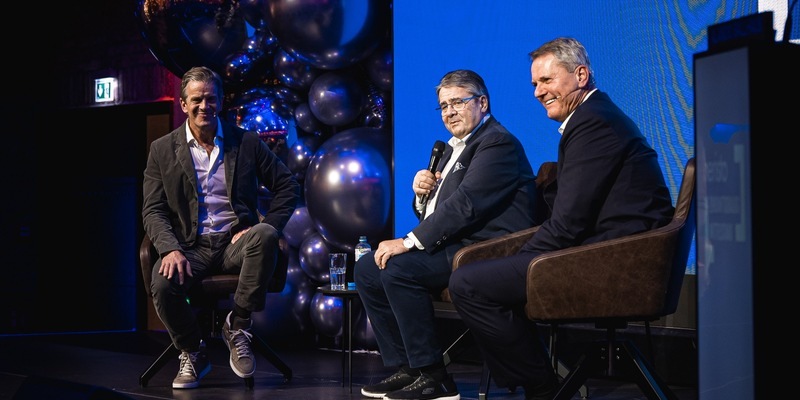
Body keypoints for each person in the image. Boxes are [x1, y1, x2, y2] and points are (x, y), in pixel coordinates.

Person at [448, 37, 676, 400]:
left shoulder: (593, 122)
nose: (538, 92)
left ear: (581, 75)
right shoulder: (592, 116)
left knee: (468, 284)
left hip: (620, 258)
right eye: (535, 84)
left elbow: (568, 223)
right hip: (606, 247)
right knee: (483, 276)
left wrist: (524, 260)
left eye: (547, 81)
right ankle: (541, 381)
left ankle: (542, 387)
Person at [355, 69, 540, 400]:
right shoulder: (454, 148)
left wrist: (407, 241)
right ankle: (407, 367)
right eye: (443, 106)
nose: (449, 112)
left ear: (482, 102)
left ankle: (434, 376)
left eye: (458, 102)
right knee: (368, 268)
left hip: (486, 250)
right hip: (456, 243)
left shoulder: (497, 143)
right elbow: (439, 211)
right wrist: (421, 195)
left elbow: (466, 206)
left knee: (398, 269)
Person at [141, 66, 300, 389]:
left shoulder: (247, 143)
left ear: (221, 101)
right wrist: (170, 248)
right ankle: (192, 350)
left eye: (210, 99)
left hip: (233, 244)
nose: (204, 107)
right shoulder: (161, 149)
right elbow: (153, 209)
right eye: (197, 100)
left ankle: (238, 325)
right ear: (184, 104)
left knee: (265, 234)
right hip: (189, 247)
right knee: (161, 281)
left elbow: (287, 186)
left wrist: (263, 224)